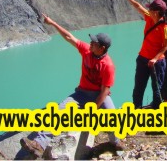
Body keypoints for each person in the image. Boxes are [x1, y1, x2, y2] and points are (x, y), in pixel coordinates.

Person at [20, 14, 123, 158]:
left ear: (102, 48)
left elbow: (105, 92)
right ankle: (39, 145)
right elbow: (69, 37)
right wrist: (53, 23)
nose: (90, 43)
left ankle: (115, 142)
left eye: (94, 42)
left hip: (99, 95)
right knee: (60, 111)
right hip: (81, 94)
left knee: (111, 115)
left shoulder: (108, 66)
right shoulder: (87, 50)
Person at [120, 0, 167, 109]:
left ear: (156, 12)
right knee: (138, 87)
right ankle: (136, 110)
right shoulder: (149, 17)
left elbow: (165, 46)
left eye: (151, 9)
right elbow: (138, 6)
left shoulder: (165, 28)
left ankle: (156, 112)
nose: (148, 10)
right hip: (142, 58)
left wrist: (155, 59)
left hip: (156, 63)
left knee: (156, 88)